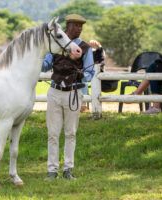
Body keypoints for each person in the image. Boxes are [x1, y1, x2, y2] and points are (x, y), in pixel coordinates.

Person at [42, 14, 94, 180]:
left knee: (70, 132)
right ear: (68, 26)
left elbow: (89, 72)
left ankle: (68, 169)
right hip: (55, 91)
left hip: (73, 93)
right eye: (76, 26)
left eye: (81, 26)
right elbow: (45, 64)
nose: (79, 29)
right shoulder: (57, 44)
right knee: (53, 133)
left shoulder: (84, 48)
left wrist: (79, 75)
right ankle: (52, 170)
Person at [80, 39, 105, 112]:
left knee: (83, 79)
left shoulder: (97, 52)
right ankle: (82, 104)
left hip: (95, 73)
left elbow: (101, 56)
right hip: (86, 73)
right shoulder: (85, 52)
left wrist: (99, 46)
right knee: (82, 78)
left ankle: (83, 105)